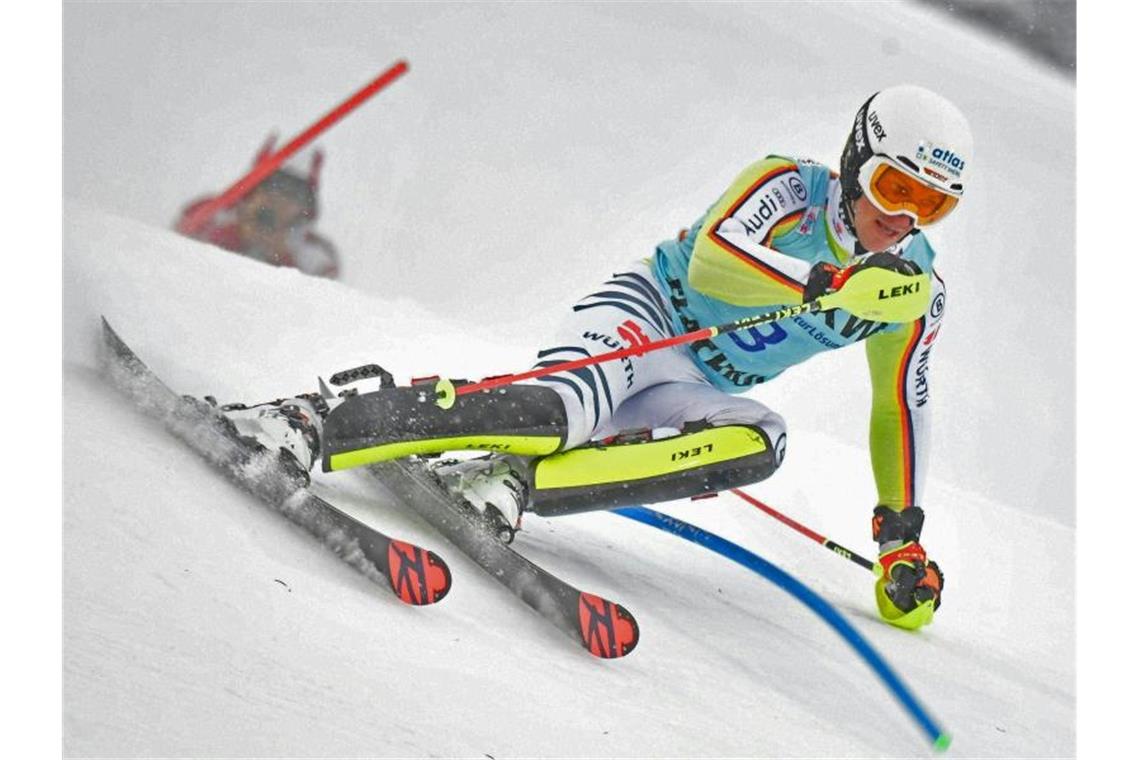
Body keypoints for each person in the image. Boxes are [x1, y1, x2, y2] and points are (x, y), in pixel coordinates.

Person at [218, 85, 971, 630]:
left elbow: (900, 404)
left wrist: (901, 537)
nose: (900, 219)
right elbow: (712, 263)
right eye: (893, 187)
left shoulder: (915, 289)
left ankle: (508, 480)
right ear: (855, 161)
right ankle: (309, 419)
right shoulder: (788, 189)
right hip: (648, 321)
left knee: (759, 439)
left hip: (697, 384)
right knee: (553, 411)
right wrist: (831, 285)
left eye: (930, 206)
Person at [176, 137, 340, 279]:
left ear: (305, 207)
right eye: (271, 183)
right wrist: (236, 235)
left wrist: (281, 257)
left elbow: (318, 296)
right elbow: (179, 245)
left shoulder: (315, 254)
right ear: (251, 186)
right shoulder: (211, 214)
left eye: (294, 192)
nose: (278, 199)